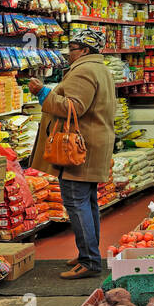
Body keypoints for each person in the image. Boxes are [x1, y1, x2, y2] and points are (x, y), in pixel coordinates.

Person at [27, 26, 118, 279]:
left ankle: (89, 261)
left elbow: (73, 108)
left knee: (76, 203)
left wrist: (42, 93)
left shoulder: (85, 70)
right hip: (90, 145)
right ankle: (87, 253)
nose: (69, 54)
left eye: (73, 49)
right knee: (87, 202)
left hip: (78, 149)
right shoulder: (99, 68)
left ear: (85, 50)